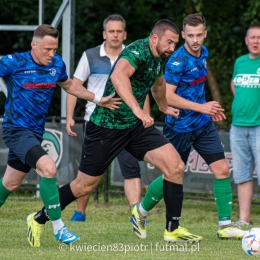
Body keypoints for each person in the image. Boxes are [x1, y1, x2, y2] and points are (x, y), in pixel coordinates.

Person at [29, 18, 203, 245]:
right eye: (169, 42)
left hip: (134, 127)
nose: (172, 48)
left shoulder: (160, 57)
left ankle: (172, 229)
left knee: (175, 167)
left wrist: (162, 106)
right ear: (154, 38)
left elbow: (158, 84)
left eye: (174, 43)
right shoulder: (137, 51)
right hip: (106, 127)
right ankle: (38, 218)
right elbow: (118, 76)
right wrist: (137, 110)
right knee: (84, 186)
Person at [0, 24, 120, 247]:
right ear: (33, 45)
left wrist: (97, 98)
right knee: (49, 168)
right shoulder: (14, 62)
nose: (51, 54)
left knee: (10, 184)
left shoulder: (56, 64)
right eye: (47, 49)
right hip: (16, 130)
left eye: (55, 49)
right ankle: (59, 228)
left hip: (35, 133)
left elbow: (70, 86)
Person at [133, 13, 246, 241]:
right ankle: (140, 211)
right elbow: (168, 97)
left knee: (222, 170)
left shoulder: (203, 52)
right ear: (183, 35)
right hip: (179, 128)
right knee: (172, 174)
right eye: (190, 36)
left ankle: (224, 225)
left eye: (199, 35)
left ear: (205, 34)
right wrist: (202, 107)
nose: (195, 40)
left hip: (203, 125)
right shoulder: (177, 61)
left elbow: (197, 88)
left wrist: (209, 110)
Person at [66, 14, 150, 222]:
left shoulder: (135, 55)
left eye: (119, 31)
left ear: (125, 34)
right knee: (88, 173)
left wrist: (144, 116)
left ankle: (136, 214)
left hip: (128, 123)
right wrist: (69, 117)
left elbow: (144, 90)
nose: (115, 35)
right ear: (104, 34)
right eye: (111, 31)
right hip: (97, 122)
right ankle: (80, 212)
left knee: (131, 169)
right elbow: (73, 87)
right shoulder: (90, 55)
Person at [230, 24, 260, 226]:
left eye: (259, 37)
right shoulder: (240, 62)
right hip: (237, 127)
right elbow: (234, 85)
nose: (256, 41)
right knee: (242, 175)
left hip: (259, 126)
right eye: (252, 37)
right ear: (246, 40)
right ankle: (243, 221)